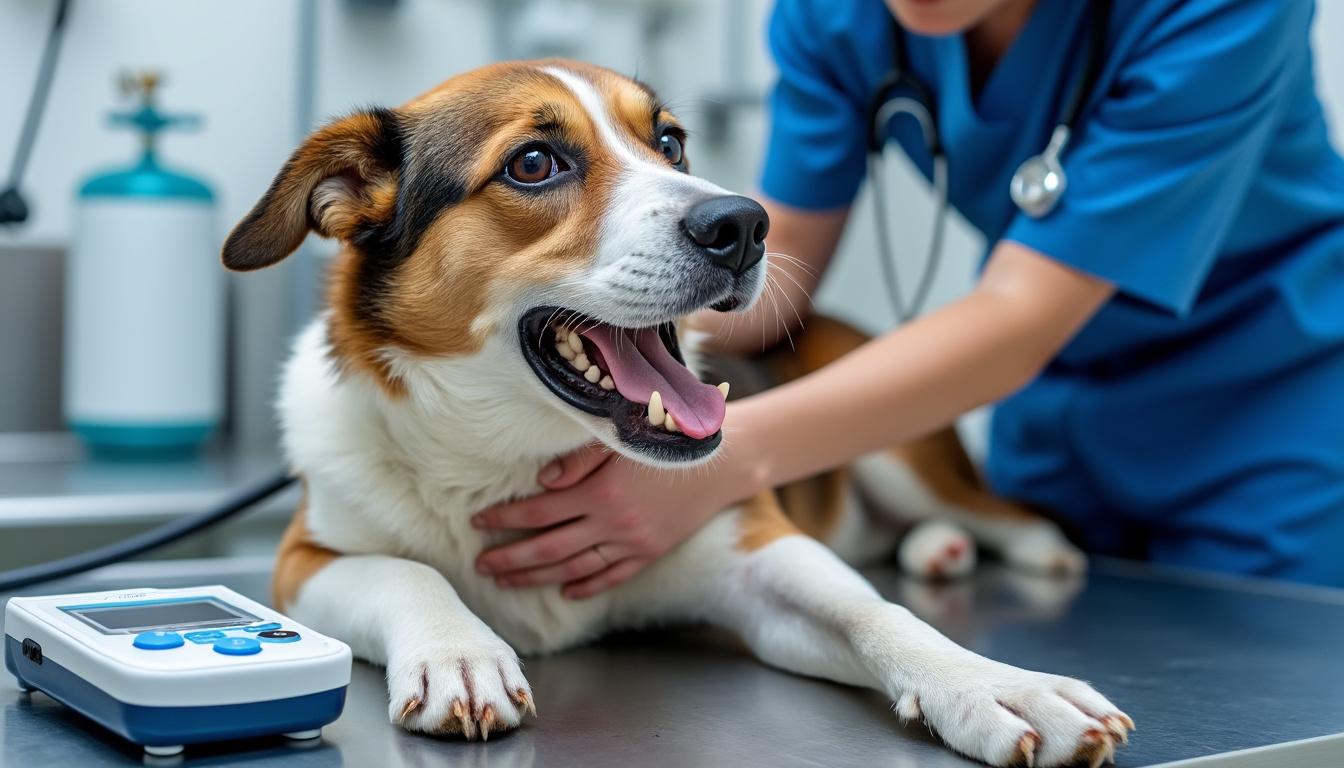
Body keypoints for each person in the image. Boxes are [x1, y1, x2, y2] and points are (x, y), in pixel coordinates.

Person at [472, 0, 1344, 594]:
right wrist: (574, 327)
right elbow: (772, 288)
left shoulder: (1224, 11)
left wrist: (723, 463)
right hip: (1054, 417)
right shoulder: (835, 15)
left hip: (1266, 407)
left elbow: (1019, 316)